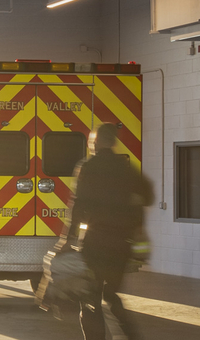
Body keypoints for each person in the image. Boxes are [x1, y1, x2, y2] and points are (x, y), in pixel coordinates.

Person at [67, 122, 153, 340]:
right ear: (114, 141)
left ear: (95, 142)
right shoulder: (125, 167)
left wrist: (69, 240)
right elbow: (149, 195)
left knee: (90, 298)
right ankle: (132, 336)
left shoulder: (88, 167)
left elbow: (79, 207)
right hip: (121, 245)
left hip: (96, 242)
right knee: (111, 294)